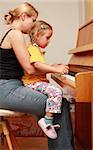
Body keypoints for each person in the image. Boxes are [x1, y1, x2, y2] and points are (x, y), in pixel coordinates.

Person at [0, 2, 74, 150]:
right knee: (60, 104)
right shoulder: (15, 34)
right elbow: (30, 69)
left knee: (57, 102)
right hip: (6, 89)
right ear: (23, 17)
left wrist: (52, 68)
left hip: (8, 87)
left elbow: (31, 66)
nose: (34, 25)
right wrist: (54, 69)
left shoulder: (13, 34)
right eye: (33, 20)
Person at [22, 20, 68, 139]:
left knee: (55, 92)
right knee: (56, 92)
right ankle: (47, 121)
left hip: (35, 82)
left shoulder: (36, 49)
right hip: (32, 83)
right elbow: (37, 65)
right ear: (37, 36)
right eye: (47, 37)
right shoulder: (33, 49)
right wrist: (56, 70)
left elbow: (39, 67)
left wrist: (52, 66)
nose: (49, 41)